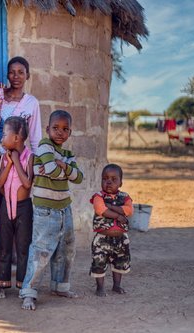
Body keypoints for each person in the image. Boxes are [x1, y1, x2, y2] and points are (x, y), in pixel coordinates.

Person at [20, 110, 83, 310]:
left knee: (66, 249)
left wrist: (63, 166)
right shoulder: (44, 146)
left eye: (65, 129)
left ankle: (60, 286)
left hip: (65, 208)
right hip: (45, 210)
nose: (59, 132)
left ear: (70, 133)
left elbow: (79, 178)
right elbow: (51, 170)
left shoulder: (67, 154)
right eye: (55, 128)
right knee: (41, 251)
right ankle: (28, 292)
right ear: (47, 129)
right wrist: (65, 170)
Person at [0, 117, 34, 299]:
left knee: (23, 246)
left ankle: (23, 284)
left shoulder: (30, 157)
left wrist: (16, 161)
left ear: (16, 137)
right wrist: (9, 162)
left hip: (23, 208)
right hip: (5, 206)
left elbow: (27, 183)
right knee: (4, 246)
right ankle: (2, 283)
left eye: (4, 134)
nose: (2, 138)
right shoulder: (4, 157)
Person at [0, 56, 41, 154]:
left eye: (21, 72)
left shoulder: (31, 103)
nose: (16, 76)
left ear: (28, 75)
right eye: (11, 72)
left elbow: (35, 137)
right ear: (7, 75)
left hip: (14, 157)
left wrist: (37, 162)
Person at [90, 163, 133, 296]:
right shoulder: (98, 196)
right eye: (105, 178)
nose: (109, 182)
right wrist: (119, 216)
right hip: (102, 239)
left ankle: (116, 286)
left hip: (121, 239)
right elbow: (101, 210)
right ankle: (100, 288)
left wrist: (111, 207)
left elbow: (129, 210)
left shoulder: (125, 197)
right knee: (99, 262)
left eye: (114, 179)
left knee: (120, 262)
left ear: (121, 183)